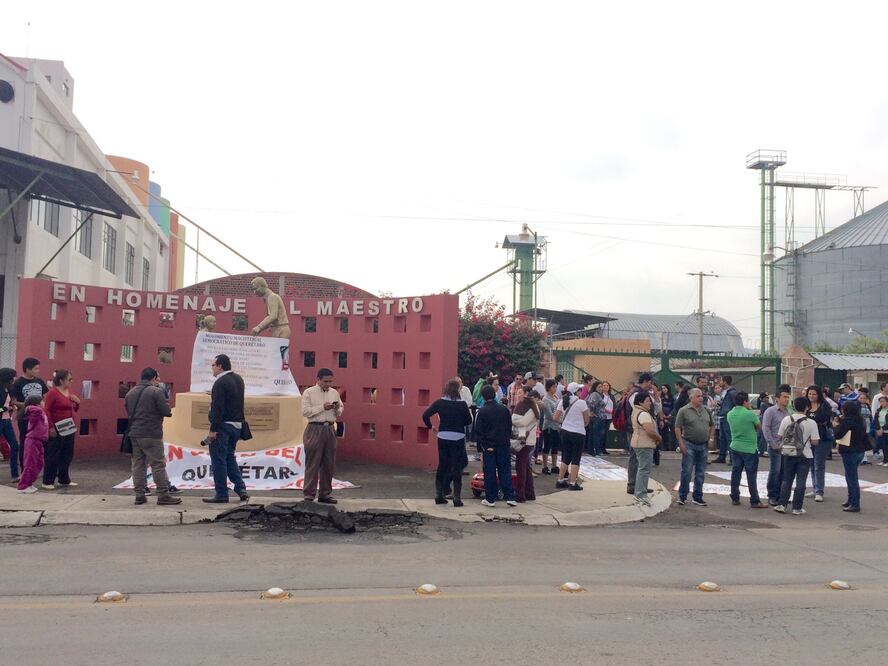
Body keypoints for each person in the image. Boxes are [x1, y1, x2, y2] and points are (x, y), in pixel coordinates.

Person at [124, 367, 182, 506]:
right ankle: (163, 495)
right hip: (152, 434)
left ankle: (139, 495)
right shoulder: (156, 391)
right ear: (153, 378)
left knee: (138, 464)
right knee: (157, 464)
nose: (159, 381)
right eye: (158, 378)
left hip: (134, 433)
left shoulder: (130, 393)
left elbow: (128, 411)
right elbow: (166, 411)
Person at [202, 354, 250, 504]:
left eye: (213, 365)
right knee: (230, 457)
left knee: (219, 460)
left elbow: (218, 408)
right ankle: (241, 489)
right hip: (237, 425)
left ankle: (221, 493)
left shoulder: (220, 383)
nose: (212, 368)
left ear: (220, 366)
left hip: (222, 427)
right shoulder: (238, 379)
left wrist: (213, 430)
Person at [423, 379, 472, 507]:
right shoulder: (462, 405)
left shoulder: (440, 403)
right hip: (458, 437)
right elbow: (468, 421)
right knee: (456, 466)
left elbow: (425, 415)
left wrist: (431, 426)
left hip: (443, 436)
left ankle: (439, 495)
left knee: (442, 465)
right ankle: (456, 497)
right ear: (457, 390)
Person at [301, 368, 344, 504]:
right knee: (313, 463)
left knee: (329, 463)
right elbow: (305, 412)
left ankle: (325, 494)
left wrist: (337, 408)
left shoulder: (334, 392)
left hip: (330, 428)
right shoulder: (309, 392)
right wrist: (322, 407)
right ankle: (309, 495)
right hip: (315, 428)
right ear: (318, 379)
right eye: (325, 381)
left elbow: (341, 409)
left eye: (330, 381)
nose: (328, 384)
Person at [773, 396, 819, 515]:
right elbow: (815, 441)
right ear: (807, 407)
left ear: (793, 406)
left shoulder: (786, 419)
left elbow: (780, 436)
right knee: (801, 482)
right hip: (805, 454)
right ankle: (797, 507)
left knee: (787, 479)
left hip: (788, 453)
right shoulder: (811, 422)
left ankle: (782, 504)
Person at [474, 384, 516, 507]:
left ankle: (490, 498)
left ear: (483, 397)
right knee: (505, 470)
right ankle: (510, 497)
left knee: (490, 472)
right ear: (494, 394)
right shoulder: (504, 409)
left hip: (489, 446)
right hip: (503, 445)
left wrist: (484, 446)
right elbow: (509, 428)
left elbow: (479, 432)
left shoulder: (481, 412)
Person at [674, 388, 714, 506]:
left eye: (701, 396)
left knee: (700, 473)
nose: (701, 398)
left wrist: (710, 438)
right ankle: (682, 496)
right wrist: (681, 443)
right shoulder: (684, 411)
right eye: (698, 396)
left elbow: (712, 425)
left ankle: (698, 497)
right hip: (689, 444)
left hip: (703, 445)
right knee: (686, 471)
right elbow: (677, 427)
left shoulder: (706, 410)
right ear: (691, 398)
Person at [42, 369, 81, 489]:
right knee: (53, 453)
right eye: (69, 379)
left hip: (69, 426)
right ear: (61, 380)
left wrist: (77, 403)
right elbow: (47, 409)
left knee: (67, 453)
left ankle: (64, 479)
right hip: (57, 426)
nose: (71, 382)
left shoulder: (68, 392)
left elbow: (72, 408)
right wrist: (50, 427)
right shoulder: (53, 393)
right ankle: (48, 480)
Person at [727, 391, 767, 509]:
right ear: (745, 401)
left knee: (736, 472)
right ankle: (754, 500)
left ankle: (735, 496)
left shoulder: (730, 414)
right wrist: (749, 409)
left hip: (735, 445)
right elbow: (759, 428)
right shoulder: (750, 414)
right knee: (751, 475)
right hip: (749, 447)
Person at [833, 400, 870, 513]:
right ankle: (850, 500)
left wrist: (836, 426)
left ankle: (855, 503)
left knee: (851, 478)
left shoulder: (847, 421)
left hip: (850, 450)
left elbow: (839, 434)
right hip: (860, 450)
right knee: (850, 476)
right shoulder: (860, 420)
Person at [11, 357, 48, 470]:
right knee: (25, 444)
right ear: (27, 369)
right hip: (25, 418)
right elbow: (14, 402)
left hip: (39, 418)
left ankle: (38, 467)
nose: (38, 371)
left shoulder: (39, 381)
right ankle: (24, 469)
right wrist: (29, 405)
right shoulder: (17, 383)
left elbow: (45, 396)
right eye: (36, 368)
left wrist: (42, 405)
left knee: (42, 443)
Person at [553, 382, 589, 491]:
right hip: (578, 432)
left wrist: (564, 422)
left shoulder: (562, 402)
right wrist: (581, 424)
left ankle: (560, 480)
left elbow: (555, 417)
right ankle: (573, 483)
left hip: (565, 431)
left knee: (566, 456)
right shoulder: (582, 403)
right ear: (577, 391)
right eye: (580, 390)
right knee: (576, 458)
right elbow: (586, 420)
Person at [629, 391, 661, 506]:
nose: (650, 403)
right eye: (647, 401)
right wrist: (658, 438)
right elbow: (650, 430)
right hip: (644, 444)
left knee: (641, 468)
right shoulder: (643, 414)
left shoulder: (636, 411)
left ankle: (639, 492)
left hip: (639, 443)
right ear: (640, 402)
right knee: (644, 469)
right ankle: (641, 494)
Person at [626, 372, 655, 495]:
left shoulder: (639, 393)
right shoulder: (636, 394)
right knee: (635, 458)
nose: (651, 385)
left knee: (640, 460)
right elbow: (638, 411)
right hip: (636, 429)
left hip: (638, 429)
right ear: (646, 381)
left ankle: (639, 485)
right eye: (650, 382)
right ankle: (633, 485)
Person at [761, 390, 790, 506]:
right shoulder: (770, 411)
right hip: (775, 446)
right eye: (784, 397)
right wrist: (773, 444)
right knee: (775, 471)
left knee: (784, 472)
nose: (786, 399)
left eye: (788, 397)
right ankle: (772, 495)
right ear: (777, 398)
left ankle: (781, 495)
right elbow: (766, 428)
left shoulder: (788, 412)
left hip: (786, 446)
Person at [511, 386, 539, 502]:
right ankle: (529, 493)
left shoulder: (533, 408)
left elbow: (521, 421)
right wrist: (516, 419)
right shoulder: (527, 406)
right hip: (527, 440)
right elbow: (516, 419)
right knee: (526, 467)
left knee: (521, 467)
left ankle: (521, 495)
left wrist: (515, 419)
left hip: (526, 441)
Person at [805, 385, 833, 500]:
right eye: (810, 394)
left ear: (819, 395)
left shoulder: (824, 405)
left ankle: (819, 492)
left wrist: (812, 422)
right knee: (811, 464)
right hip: (808, 439)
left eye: (814, 394)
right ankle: (815, 488)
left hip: (822, 439)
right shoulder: (806, 405)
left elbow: (824, 418)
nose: (811, 396)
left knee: (819, 465)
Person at [15, 395, 47, 494]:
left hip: (39, 440)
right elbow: (33, 410)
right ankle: (22, 485)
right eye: (42, 401)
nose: (44, 403)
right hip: (32, 440)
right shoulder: (35, 412)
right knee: (30, 464)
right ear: (37, 403)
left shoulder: (41, 412)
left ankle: (29, 483)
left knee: (39, 463)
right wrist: (29, 406)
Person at [0, 368, 21, 482]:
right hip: (1, 421)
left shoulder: (9, 389)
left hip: (7, 421)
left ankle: (14, 474)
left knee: (15, 446)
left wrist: (12, 408)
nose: (14, 379)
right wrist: (5, 408)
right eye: (13, 377)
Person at [714, 375, 737, 464]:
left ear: (725, 382)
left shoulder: (732, 392)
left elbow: (735, 404)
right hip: (723, 417)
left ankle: (732, 458)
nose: (720, 383)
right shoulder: (725, 392)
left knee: (729, 438)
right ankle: (721, 456)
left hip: (728, 418)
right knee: (722, 438)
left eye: (721, 381)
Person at [540, 379, 561, 474]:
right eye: (553, 387)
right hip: (548, 426)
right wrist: (560, 420)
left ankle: (554, 465)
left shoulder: (555, 397)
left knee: (555, 446)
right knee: (547, 445)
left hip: (556, 426)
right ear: (548, 388)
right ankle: (545, 466)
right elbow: (549, 415)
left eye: (556, 387)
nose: (555, 389)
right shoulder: (545, 399)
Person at [588, 380, 613, 456]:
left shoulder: (598, 395)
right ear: (595, 387)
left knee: (594, 434)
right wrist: (591, 412)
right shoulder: (595, 394)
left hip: (599, 417)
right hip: (597, 417)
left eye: (601, 387)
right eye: (599, 387)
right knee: (596, 435)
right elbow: (591, 404)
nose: (601, 388)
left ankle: (592, 450)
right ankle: (597, 450)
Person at [756, 392, 773, 456]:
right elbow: (769, 409)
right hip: (762, 420)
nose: (767, 399)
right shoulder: (763, 404)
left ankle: (761, 450)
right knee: (762, 436)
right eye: (766, 397)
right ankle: (761, 451)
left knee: (761, 436)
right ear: (762, 398)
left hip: (762, 420)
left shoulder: (765, 404)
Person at [874, 395, 888, 467]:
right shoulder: (879, 410)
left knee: (887, 446)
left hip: (886, 430)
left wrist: (882, 429)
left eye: (883, 401)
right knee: (883, 446)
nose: (881, 403)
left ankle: (886, 461)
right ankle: (884, 460)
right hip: (880, 431)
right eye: (880, 402)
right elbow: (876, 420)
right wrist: (878, 429)